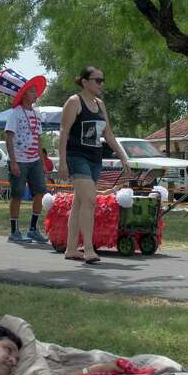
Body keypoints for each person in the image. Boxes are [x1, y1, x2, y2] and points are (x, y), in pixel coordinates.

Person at [57, 66, 131, 264]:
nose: (101, 83)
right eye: (97, 80)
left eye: (102, 79)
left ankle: (71, 248)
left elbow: (108, 134)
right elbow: (64, 133)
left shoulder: (100, 104)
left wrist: (123, 157)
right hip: (76, 156)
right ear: (84, 81)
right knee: (90, 200)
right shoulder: (74, 102)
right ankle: (88, 249)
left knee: (80, 202)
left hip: (94, 158)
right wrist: (62, 162)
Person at [0, 69, 50, 244]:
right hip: (18, 160)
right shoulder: (15, 113)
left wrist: (42, 163)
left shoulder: (36, 114)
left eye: (36, 91)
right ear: (24, 94)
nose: (35, 94)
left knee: (40, 193)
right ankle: (14, 231)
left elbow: (38, 138)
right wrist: (13, 161)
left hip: (34, 160)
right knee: (17, 195)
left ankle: (33, 229)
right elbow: (8, 137)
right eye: (32, 91)